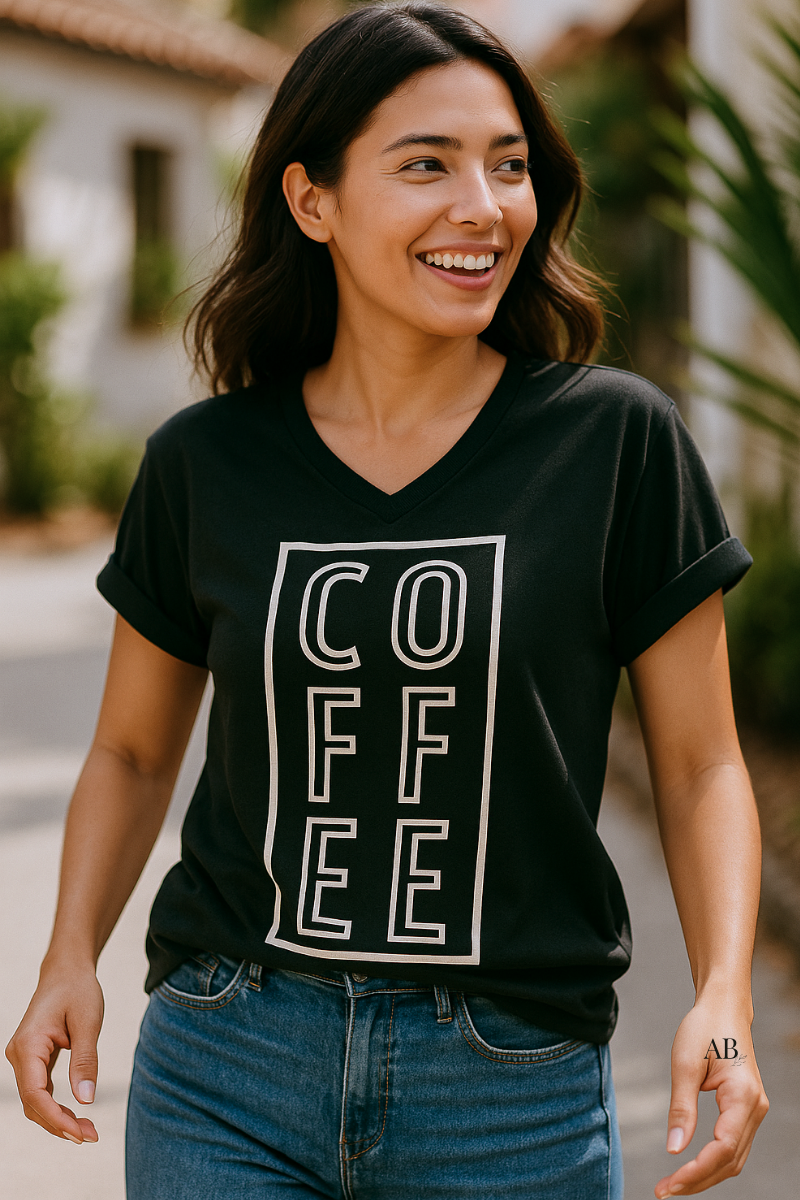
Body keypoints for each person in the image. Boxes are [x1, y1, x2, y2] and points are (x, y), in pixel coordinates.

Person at [6, 4, 768, 1197]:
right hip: (226, 1061)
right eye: (426, 164)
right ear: (312, 202)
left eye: (507, 166)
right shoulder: (203, 462)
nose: (483, 205)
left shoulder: (614, 444)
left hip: (508, 1087)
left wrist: (721, 1002)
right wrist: (67, 957)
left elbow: (700, 765)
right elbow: (133, 749)